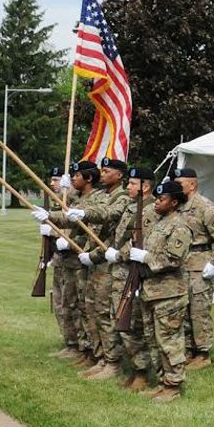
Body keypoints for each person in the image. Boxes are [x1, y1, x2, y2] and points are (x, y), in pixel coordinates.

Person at [128, 179, 193, 403]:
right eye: (156, 198)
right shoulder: (159, 222)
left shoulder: (180, 226)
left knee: (169, 340)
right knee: (153, 339)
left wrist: (145, 257)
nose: (156, 202)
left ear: (174, 202)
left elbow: (173, 259)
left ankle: (173, 385)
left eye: (162, 199)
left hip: (169, 294)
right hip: (151, 291)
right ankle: (162, 381)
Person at [70, 157, 132, 381]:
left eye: (106, 171)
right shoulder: (104, 195)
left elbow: (109, 214)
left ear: (119, 175)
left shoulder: (122, 197)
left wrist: (85, 214)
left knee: (105, 313)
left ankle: (113, 362)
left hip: (108, 264)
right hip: (95, 261)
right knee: (92, 309)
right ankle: (101, 357)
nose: (102, 175)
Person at [34, 160, 99, 368]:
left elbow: (85, 227)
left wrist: (55, 233)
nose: (55, 183)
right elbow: (65, 214)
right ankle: (73, 343)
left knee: (78, 305)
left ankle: (85, 347)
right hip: (62, 259)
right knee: (63, 304)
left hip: (78, 260)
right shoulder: (73, 198)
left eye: (58, 179)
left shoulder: (95, 199)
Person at [103, 166, 159, 391]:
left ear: (145, 187)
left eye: (132, 184)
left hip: (133, 272)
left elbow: (140, 241)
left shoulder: (151, 210)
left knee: (132, 323)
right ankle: (131, 367)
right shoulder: (132, 206)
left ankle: (142, 372)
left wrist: (119, 254)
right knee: (119, 318)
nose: (127, 187)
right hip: (120, 272)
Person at [171, 167, 214, 369]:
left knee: (198, 310)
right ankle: (188, 350)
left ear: (192, 184)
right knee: (183, 309)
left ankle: (203, 353)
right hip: (181, 264)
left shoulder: (205, 207)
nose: (176, 187)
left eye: (180, 184)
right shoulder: (177, 206)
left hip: (199, 264)